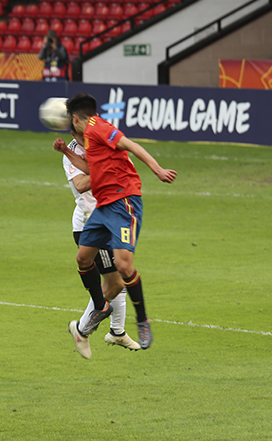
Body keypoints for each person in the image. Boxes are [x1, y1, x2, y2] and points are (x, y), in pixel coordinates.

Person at [54, 92, 177, 349]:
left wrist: (157, 169)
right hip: (104, 206)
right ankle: (100, 309)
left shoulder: (98, 128)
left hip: (124, 202)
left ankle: (142, 320)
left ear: (75, 117)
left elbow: (132, 145)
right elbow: (90, 169)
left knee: (123, 265)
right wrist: (65, 150)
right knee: (83, 258)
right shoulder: (88, 138)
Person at [62, 130, 140, 358]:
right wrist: (107, 172)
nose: (80, 137)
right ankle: (82, 330)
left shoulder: (105, 142)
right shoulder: (71, 153)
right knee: (115, 282)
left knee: (120, 277)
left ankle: (117, 331)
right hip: (91, 223)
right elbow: (80, 184)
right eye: (75, 134)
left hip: (113, 217)